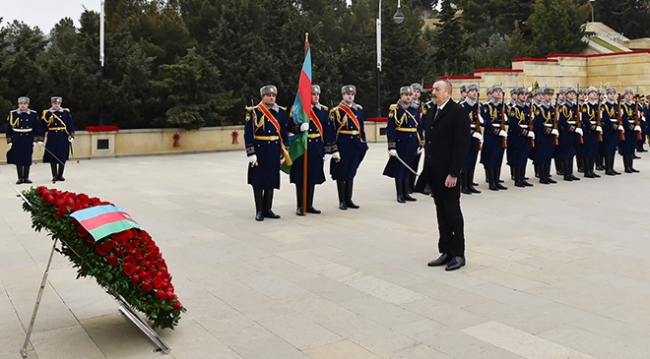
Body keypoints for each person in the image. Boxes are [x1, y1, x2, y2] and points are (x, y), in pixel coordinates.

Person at [416, 79, 470, 271]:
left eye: (437, 89)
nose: (433, 92)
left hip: (449, 175)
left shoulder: (458, 113)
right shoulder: (431, 112)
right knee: (441, 213)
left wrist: (454, 173)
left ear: (448, 92)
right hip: (434, 173)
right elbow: (429, 145)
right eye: (433, 89)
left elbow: (461, 146)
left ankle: (459, 254)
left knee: (453, 213)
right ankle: (446, 251)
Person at [288, 85, 337, 215]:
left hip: (316, 147)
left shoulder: (323, 111)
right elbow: (288, 127)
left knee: (312, 176)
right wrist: (299, 128)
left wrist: (328, 150)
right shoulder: (299, 110)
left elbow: (328, 131)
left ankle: (309, 204)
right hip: (302, 147)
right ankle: (300, 205)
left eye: (317, 94)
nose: (316, 97)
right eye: (313, 94)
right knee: (300, 177)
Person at [244, 85, 290, 221]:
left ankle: (268, 208)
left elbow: (283, 132)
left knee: (271, 178)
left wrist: (285, 150)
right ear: (262, 97)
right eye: (268, 95)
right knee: (258, 179)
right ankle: (259, 210)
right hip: (260, 149)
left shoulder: (280, 112)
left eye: (273, 96)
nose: (271, 98)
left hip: (274, 149)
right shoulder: (254, 111)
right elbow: (248, 133)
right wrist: (250, 152)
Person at [330, 85, 368, 210]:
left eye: (352, 94)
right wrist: (333, 148)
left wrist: (363, 143)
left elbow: (361, 128)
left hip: (355, 144)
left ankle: (349, 199)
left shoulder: (358, 110)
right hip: (343, 144)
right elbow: (332, 131)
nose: (350, 96)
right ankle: (342, 200)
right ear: (343, 95)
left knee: (351, 172)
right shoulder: (336, 111)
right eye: (347, 94)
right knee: (342, 172)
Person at [383, 86, 422, 203]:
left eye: (410, 95)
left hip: (412, 142)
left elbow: (418, 127)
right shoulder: (395, 110)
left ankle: (406, 192)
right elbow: (390, 129)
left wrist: (420, 143)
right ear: (401, 96)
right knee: (400, 168)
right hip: (401, 142)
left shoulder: (415, 109)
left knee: (408, 168)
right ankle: (400, 193)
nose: (409, 97)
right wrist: (392, 146)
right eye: (406, 95)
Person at [6, 97, 44, 184]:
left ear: (28, 105)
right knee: (18, 158)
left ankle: (26, 177)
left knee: (27, 158)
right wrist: (9, 140)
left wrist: (35, 140)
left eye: (24, 104)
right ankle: (20, 177)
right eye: (21, 104)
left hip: (28, 137)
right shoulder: (13, 114)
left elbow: (36, 127)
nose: (22, 105)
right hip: (17, 137)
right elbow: (8, 128)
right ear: (18, 104)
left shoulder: (33, 114)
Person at [480, 84, 508, 191]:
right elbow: (486, 122)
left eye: (500, 91)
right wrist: (497, 131)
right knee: (491, 158)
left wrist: (506, 119)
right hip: (491, 135)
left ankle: (497, 180)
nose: (499, 93)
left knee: (498, 157)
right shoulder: (486, 106)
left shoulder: (502, 106)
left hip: (501, 135)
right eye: (496, 91)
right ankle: (491, 182)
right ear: (491, 94)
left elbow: (507, 120)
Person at [42, 96, 75, 181]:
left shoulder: (65, 113)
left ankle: (60, 174)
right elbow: (42, 126)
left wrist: (72, 135)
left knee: (62, 156)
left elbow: (70, 124)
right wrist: (40, 138)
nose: (56, 105)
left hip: (63, 136)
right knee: (53, 156)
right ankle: (54, 175)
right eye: (55, 103)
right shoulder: (48, 113)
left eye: (58, 103)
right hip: (52, 136)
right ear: (52, 104)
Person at [507, 87, 535, 187]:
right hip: (518, 136)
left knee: (524, 156)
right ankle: (517, 179)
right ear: (518, 96)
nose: (524, 96)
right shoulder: (514, 108)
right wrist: (524, 132)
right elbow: (513, 123)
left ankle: (522, 178)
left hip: (527, 135)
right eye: (522, 94)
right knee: (518, 157)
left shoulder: (528, 108)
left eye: (525, 94)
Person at [460, 83, 482, 195]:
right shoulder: (462, 106)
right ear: (467, 93)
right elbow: (460, 125)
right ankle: (464, 185)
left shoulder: (478, 106)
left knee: (473, 160)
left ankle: (470, 184)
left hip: (476, 135)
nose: (474, 93)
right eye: (472, 91)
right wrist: (471, 133)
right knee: (465, 161)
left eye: (476, 91)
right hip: (466, 137)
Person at [533, 88, 559, 184]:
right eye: (548, 95)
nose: (550, 97)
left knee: (548, 154)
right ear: (543, 96)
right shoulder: (540, 108)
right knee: (542, 155)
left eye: (551, 95)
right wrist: (549, 130)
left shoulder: (552, 108)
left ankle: (547, 175)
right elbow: (538, 123)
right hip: (543, 134)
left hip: (551, 134)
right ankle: (542, 176)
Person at [555, 87, 581, 181]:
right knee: (566, 153)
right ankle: (566, 174)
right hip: (566, 132)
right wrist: (573, 129)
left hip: (574, 131)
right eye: (570, 93)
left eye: (573, 93)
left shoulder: (574, 106)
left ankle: (570, 173)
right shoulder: (563, 106)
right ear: (566, 95)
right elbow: (562, 121)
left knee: (572, 152)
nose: (572, 95)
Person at [579, 87, 603, 178]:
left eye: (595, 93)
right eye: (592, 92)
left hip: (595, 130)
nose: (594, 94)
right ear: (588, 95)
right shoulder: (585, 105)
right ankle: (587, 170)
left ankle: (591, 170)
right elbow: (585, 118)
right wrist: (592, 127)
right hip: (588, 130)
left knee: (594, 150)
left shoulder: (597, 106)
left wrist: (599, 126)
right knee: (587, 150)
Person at [600, 87, 624, 175]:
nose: (612, 95)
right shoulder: (604, 105)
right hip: (608, 129)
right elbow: (605, 118)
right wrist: (614, 126)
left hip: (616, 129)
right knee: (608, 149)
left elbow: (618, 118)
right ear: (607, 95)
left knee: (613, 148)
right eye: (610, 94)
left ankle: (611, 167)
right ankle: (607, 168)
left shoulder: (616, 106)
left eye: (614, 94)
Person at [619, 88, 642, 173]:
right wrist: (630, 126)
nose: (629, 96)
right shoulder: (623, 106)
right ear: (624, 95)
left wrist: (637, 124)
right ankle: (627, 166)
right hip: (627, 129)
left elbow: (636, 117)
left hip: (634, 128)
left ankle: (631, 165)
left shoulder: (634, 105)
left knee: (632, 147)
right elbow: (623, 118)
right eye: (627, 94)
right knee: (626, 147)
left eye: (630, 94)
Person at [409, 82, 425, 193]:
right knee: (408, 162)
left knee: (416, 162)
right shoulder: (406, 105)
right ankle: (406, 186)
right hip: (409, 136)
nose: (415, 93)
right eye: (414, 91)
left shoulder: (422, 106)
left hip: (419, 136)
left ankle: (412, 184)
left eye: (418, 92)